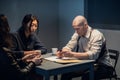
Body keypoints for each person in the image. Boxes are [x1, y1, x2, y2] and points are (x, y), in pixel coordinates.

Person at [56, 15, 114, 80]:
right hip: (86, 64)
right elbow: (69, 46)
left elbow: (94, 55)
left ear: (85, 25)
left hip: (103, 66)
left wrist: (72, 54)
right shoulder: (77, 33)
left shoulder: (96, 35)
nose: (76, 31)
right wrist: (63, 52)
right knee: (66, 74)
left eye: (78, 28)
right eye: (74, 29)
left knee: (86, 77)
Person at [0, 14, 42, 80]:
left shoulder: (33, 36)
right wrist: (33, 61)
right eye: (31, 25)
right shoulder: (14, 36)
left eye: (36, 26)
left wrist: (23, 59)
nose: (33, 28)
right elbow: (12, 54)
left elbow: (43, 49)